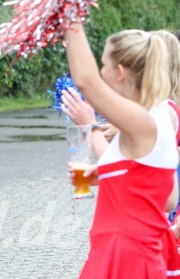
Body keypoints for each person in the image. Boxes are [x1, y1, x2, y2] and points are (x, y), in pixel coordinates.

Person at [64, 24, 179, 278]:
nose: (100, 72)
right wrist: (113, 176)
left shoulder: (145, 121)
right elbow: (168, 197)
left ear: (119, 72)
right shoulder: (155, 118)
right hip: (127, 252)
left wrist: (70, 14)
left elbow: (85, 80)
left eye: (103, 65)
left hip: (126, 256)